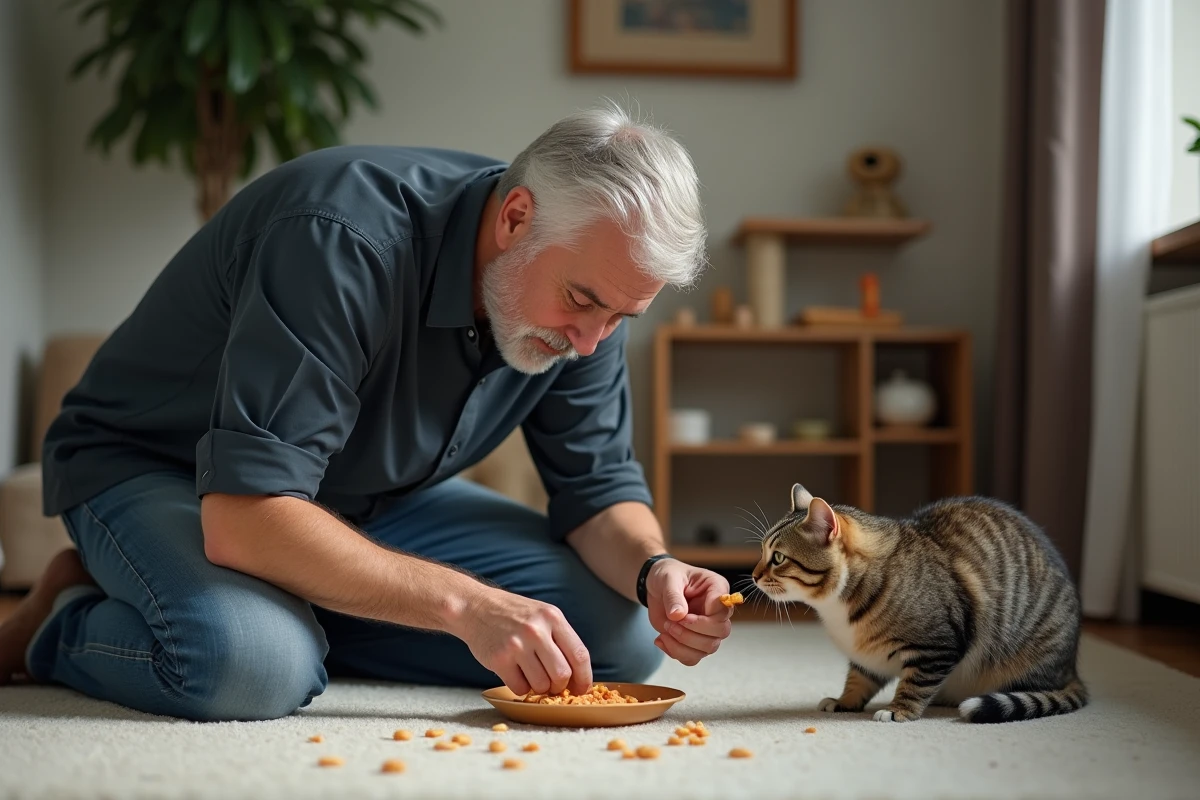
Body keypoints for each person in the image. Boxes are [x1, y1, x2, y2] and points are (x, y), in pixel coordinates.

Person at [0, 102, 734, 722]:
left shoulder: (591, 284)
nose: (590, 342)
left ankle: (298, 605)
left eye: (621, 316)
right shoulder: (337, 238)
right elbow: (247, 510)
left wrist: (654, 569)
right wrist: (463, 606)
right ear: (515, 217)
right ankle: (66, 623)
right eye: (581, 302)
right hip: (167, 472)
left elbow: (598, 488)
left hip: (367, 498)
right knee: (251, 666)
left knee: (619, 634)